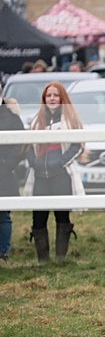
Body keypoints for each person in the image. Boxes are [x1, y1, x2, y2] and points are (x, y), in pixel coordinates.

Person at [25, 82, 85, 264]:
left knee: (62, 216)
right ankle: (43, 261)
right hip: (40, 176)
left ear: (62, 98)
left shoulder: (70, 120)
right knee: (39, 218)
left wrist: (60, 163)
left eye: (55, 95)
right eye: (48, 95)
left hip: (61, 175)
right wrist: (34, 162)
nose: (52, 98)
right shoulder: (36, 121)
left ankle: (60, 259)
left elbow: (78, 146)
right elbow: (27, 146)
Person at [0, 97, 24, 266]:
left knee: (3, 216)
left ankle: (2, 254)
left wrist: (6, 165)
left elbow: (20, 145)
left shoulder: (12, 117)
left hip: (3, 173)